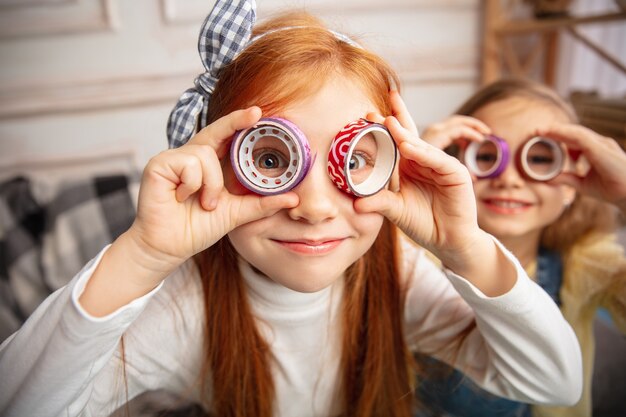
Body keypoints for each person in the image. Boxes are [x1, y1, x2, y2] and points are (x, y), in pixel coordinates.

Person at [0, 3, 583, 417]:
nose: (313, 206)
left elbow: (554, 381)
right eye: (272, 158)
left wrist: (467, 248)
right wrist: (144, 254)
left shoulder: (397, 276)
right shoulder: (186, 308)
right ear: (222, 163)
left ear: (394, 160)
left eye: (353, 160)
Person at [416, 78, 626, 417]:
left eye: (539, 159)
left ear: (571, 187)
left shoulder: (585, 261)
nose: (509, 178)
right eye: (486, 155)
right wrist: (410, 177)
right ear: (451, 167)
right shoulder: (418, 257)